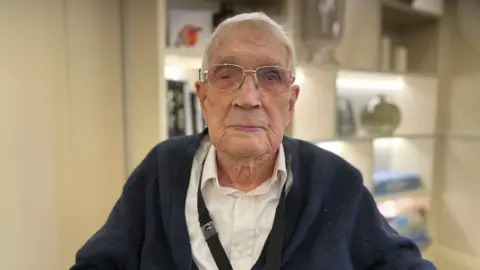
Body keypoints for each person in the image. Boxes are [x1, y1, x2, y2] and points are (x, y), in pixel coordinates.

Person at [71, 12, 436, 270]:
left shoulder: (337, 181)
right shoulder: (160, 172)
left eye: (271, 76)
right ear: (202, 96)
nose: (248, 97)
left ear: (291, 102)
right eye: (227, 75)